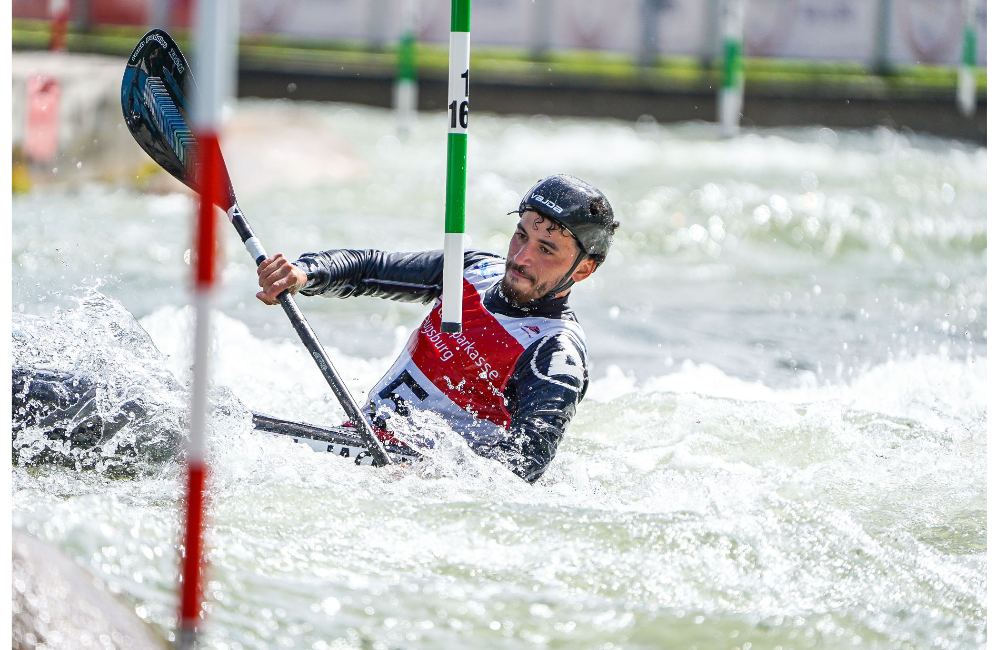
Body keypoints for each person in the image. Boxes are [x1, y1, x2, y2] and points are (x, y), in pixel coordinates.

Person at [255, 174, 618, 483]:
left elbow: (523, 467)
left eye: (547, 250)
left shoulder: (555, 353)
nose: (521, 258)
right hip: (358, 444)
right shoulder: (473, 271)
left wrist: (429, 478)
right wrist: (304, 273)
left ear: (584, 269)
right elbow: (367, 268)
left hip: (412, 485)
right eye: (521, 235)